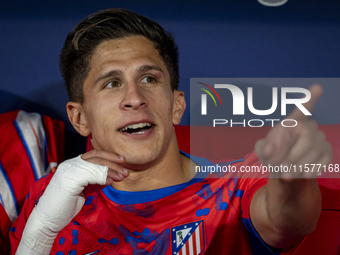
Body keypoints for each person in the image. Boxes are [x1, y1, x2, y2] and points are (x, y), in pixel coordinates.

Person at [9, 8, 332, 255]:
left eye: (149, 79)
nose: (135, 98)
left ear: (176, 105)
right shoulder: (51, 196)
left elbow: (287, 220)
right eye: (111, 83)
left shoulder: (235, 185)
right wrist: (40, 234)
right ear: (79, 118)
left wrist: (290, 177)